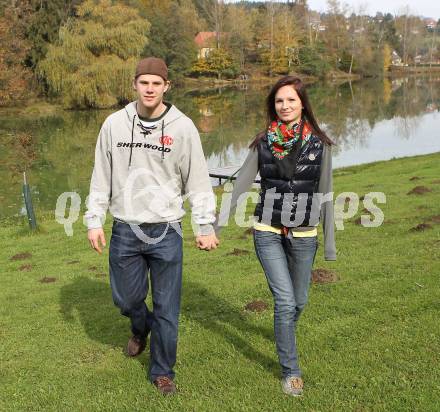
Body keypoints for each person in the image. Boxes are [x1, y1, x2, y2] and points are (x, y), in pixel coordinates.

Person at [85, 57, 219, 395]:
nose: (149, 88)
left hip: (167, 230)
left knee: (167, 308)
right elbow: (101, 175)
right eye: (144, 82)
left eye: (156, 83)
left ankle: (162, 372)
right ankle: (138, 325)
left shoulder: (183, 127)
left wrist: (203, 224)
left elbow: (198, 180)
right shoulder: (114, 124)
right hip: (125, 228)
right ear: (135, 85)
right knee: (127, 300)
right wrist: (94, 219)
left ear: (166, 87)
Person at [216, 76, 336, 397]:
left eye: (291, 101)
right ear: (274, 105)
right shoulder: (263, 141)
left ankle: (284, 332)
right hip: (267, 230)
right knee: (284, 302)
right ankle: (291, 370)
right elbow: (242, 181)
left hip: (304, 235)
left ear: (302, 104)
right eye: (279, 101)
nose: (285, 106)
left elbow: (325, 192)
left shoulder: (319, 144)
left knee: (299, 301)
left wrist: (330, 241)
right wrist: (217, 222)